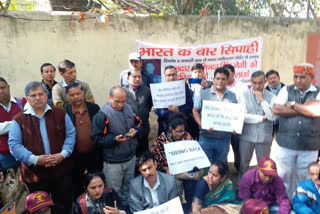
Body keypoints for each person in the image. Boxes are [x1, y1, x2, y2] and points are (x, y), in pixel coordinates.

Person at [8, 81, 76, 214]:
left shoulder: (60, 113)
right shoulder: (19, 120)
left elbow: (71, 134)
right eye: (33, 95)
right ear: (27, 99)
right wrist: (35, 159)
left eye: (41, 94)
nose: (37, 98)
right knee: (39, 210)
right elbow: (14, 145)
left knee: (63, 206)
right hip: (35, 175)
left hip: (61, 170)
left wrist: (63, 154)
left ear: (47, 95)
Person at [273, 63, 320, 199]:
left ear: (311, 77)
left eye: (302, 77)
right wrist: (304, 109)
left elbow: (316, 111)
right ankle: (282, 203)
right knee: (282, 176)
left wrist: (293, 105)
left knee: (304, 178)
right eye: (296, 76)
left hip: (309, 146)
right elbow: (276, 109)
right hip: (285, 144)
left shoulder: (318, 91)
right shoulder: (286, 90)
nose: (298, 80)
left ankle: (299, 203)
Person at [91, 86, 142, 210]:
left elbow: (139, 122)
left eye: (123, 101)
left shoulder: (129, 108)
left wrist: (135, 130)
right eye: (117, 101)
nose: (121, 104)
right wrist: (114, 139)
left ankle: (127, 211)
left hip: (130, 158)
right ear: (109, 98)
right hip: (113, 162)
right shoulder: (102, 115)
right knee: (114, 192)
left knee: (129, 189)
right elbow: (96, 139)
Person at [150, 112, 195, 213]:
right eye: (177, 131)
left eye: (182, 131)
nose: (180, 134)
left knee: (192, 181)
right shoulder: (162, 139)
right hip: (166, 171)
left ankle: (188, 207)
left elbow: (193, 154)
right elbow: (157, 159)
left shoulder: (187, 137)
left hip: (185, 169)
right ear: (170, 128)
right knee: (173, 182)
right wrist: (167, 169)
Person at [64, 83, 102, 200]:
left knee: (96, 182)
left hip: (93, 154)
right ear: (68, 97)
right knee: (77, 185)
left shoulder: (94, 108)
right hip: (75, 156)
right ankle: (80, 207)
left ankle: (97, 206)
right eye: (72, 95)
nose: (76, 97)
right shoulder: (64, 111)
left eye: (78, 93)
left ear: (83, 93)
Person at [193, 67, 237, 163]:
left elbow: (235, 114)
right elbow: (195, 110)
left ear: (227, 80)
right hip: (206, 138)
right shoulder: (203, 94)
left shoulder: (232, 96)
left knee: (219, 167)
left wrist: (235, 126)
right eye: (217, 78)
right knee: (204, 166)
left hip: (224, 139)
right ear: (213, 79)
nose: (220, 81)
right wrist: (201, 124)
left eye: (223, 79)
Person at [238, 71, 276, 180]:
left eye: (260, 83)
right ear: (251, 82)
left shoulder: (271, 96)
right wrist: (261, 118)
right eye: (254, 83)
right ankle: (242, 189)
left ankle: (262, 191)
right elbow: (243, 117)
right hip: (246, 137)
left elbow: (273, 116)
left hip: (264, 137)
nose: (257, 86)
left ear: (265, 82)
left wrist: (263, 100)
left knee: (263, 166)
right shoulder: (244, 96)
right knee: (244, 165)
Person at [154, 65, 193, 136]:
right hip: (165, 127)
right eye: (169, 75)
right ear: (165, 77)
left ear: (177, 75)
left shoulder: (184, 88)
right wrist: (171, 112)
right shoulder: (159, 90)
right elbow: (157, 111)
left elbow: (190, 107)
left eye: (173, 75)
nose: (171, 77)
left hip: (182, 127)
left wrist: (178, 109)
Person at [223, 64, 248, 173]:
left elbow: (246, 104)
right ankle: (223, 171)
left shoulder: (242, 86)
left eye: (229, 73)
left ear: (234, 73)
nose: (227, 76)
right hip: (222, 124)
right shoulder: (218, 85)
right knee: (223, 149)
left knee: (238, 147)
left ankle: (239, 169)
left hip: (237, 123)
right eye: (225, 74)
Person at [123, 70, 152, 156]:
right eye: (134, 77)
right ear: (128, 78)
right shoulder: (123, 91)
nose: (137, 79)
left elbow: (150, 105)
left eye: (139, 77)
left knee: (144, 155)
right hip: (128, 129)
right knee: (130, 155)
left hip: (144, 128)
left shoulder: (147, 91)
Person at [0, 77, 26, 170]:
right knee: (10, 183)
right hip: (5, 156)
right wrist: (20, 124)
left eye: (3, 88)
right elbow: (26, 122)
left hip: (26, 152)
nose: (1, 91)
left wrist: (4, 128)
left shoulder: (22, 102)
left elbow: (31, 121)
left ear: (8, 87)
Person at [265, 69, 285, 136]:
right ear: (267, 80)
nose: (273, 80)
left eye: (274, 78)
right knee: (268, 143)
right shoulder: (264, 92)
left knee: (283, 142)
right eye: (270, 78)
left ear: (279, 78)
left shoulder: (286, 89)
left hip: (283, 121)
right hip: (270, 122)